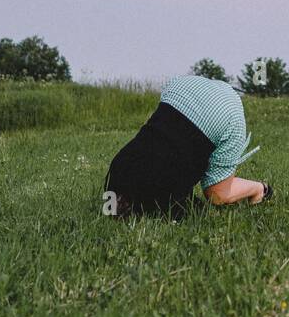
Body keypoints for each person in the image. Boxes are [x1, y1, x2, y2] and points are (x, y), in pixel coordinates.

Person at [104, 74, 271, 218]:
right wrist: (257, 188)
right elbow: (218, 195)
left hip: (118, 173)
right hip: (162, 191)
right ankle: (261, 190)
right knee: (198, 214)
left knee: (119, 212)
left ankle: (121, 207)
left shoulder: (179, 84)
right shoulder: (234, 119)